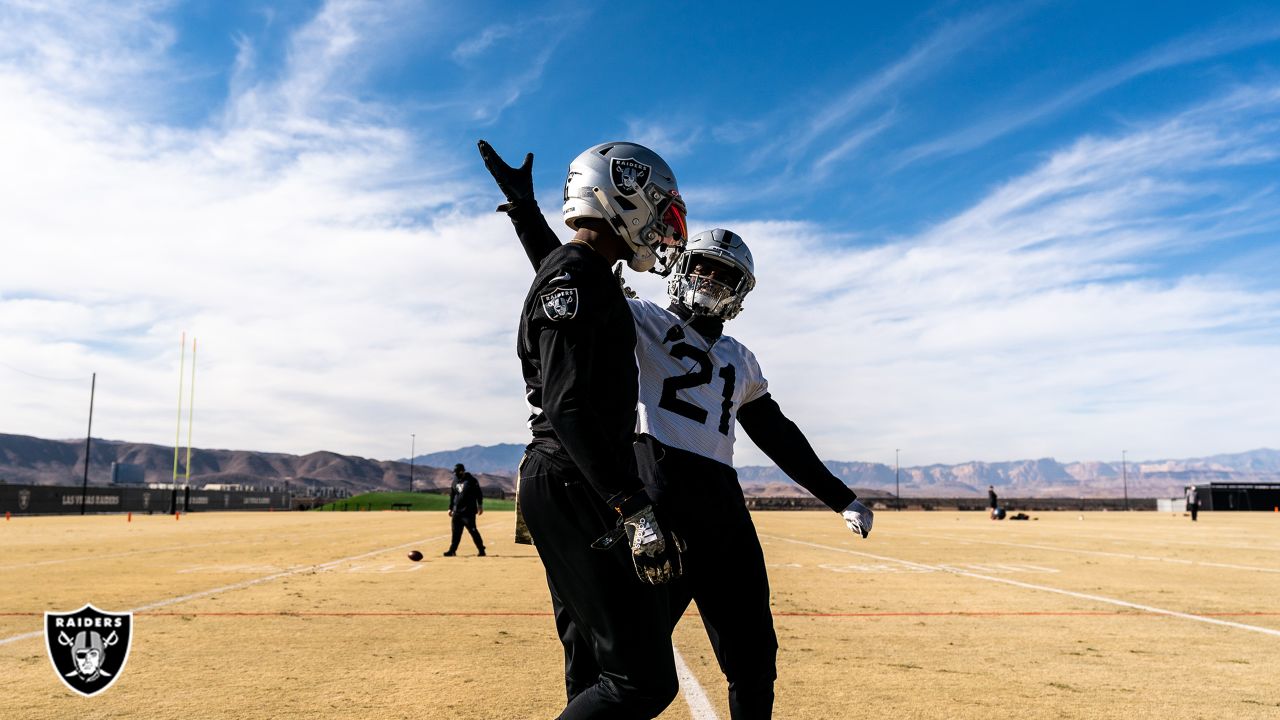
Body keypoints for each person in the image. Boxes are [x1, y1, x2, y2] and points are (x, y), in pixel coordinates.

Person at [479, 140, 873, 719]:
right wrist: (526, 214)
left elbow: (777, 433)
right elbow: (566, 274)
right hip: (656, 499)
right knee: (614, 657)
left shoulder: (742, 358)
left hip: (723, 507)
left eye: (725, 275)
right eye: (706, 267)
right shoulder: (641, 318)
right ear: (684, 269)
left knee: (752, 653)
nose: (713, 281)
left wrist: (840, 495)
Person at [500, 140, 689, 719]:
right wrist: (632, 505)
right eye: (656, 211)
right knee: (641, 681)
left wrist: (527, 215)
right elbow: (568, 405)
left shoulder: (583, 272)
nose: (661, 229)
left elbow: (563, 272)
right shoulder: (577, 276)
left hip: (572, 476)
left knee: (592, 663)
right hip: (575, 477)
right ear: (620, 198)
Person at [443, 464, 485, 557]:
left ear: (462, 471)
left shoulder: (471, 481)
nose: (456, 474)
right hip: (457, 512)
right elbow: (452, 495)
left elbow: (479, 493)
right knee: (456, 532)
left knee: (473, 531)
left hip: (468, 511)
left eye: (457, 472)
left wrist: (480, 505)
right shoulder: (455, 481)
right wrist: (450, 508)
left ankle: (481, 550)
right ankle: (452, 550)